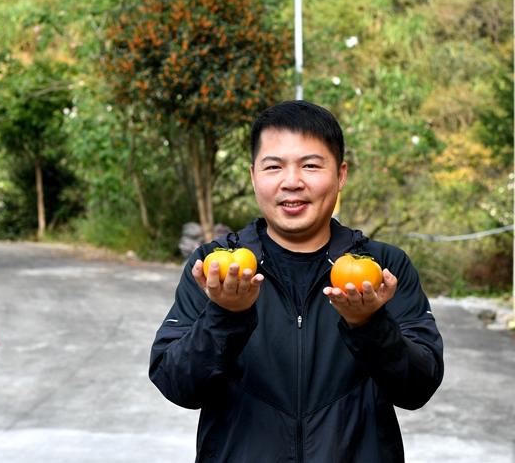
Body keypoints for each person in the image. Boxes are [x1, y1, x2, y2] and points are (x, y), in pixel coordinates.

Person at [149, 100, 444, 462]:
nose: (292, 182)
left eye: (310, 165)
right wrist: (225, 315)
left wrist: (369, 325)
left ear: (341, 175)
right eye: (274, 167)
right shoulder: (216, 269)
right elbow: (177, 384)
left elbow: (418, 387)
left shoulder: (382, 268)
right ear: (254, 175)